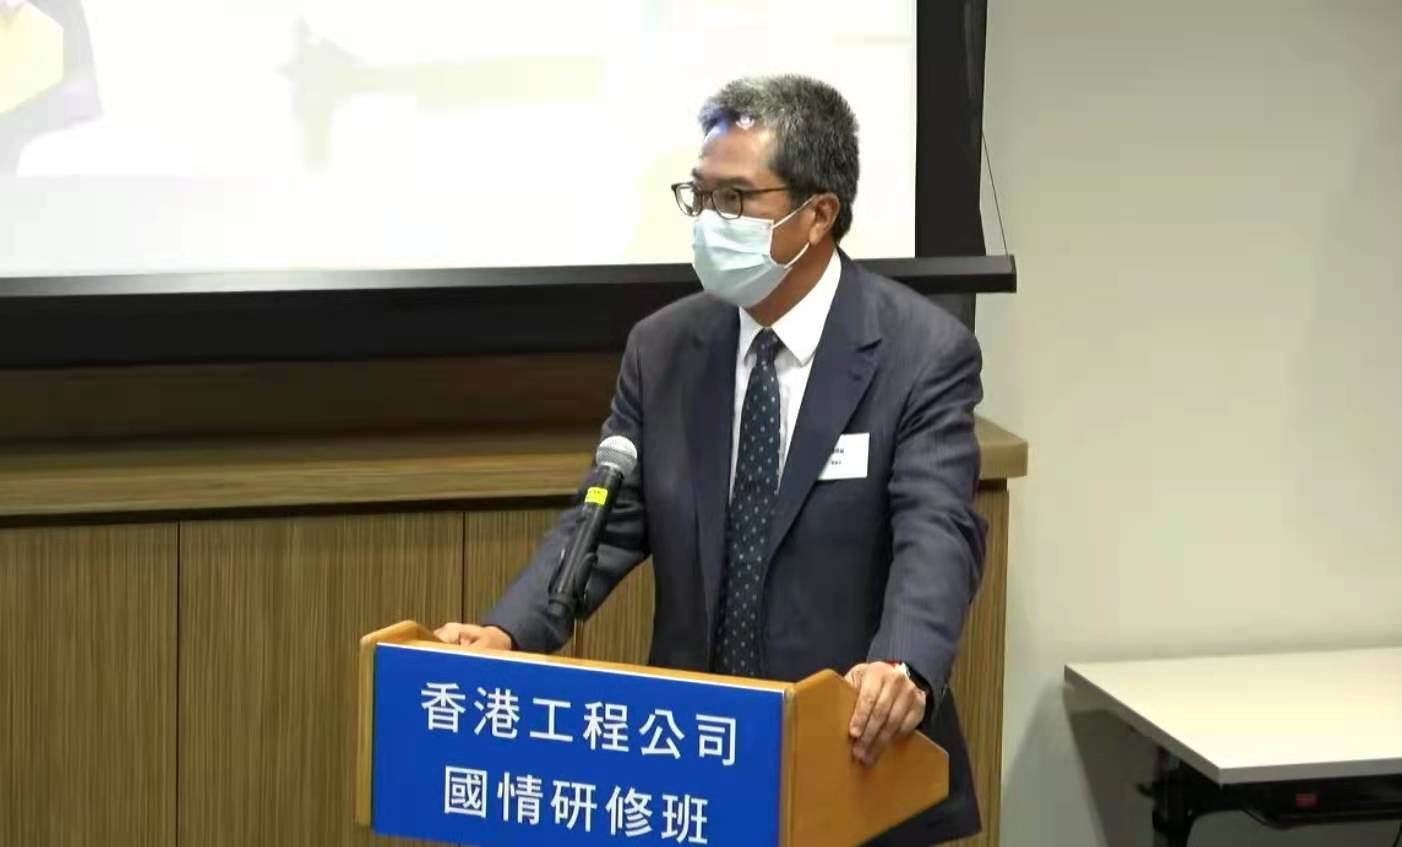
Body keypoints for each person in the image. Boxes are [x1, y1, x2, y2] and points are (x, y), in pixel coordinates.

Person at [436, 74, 987, 845]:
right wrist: (509, 633)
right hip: (695, 759)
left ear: (818, 214)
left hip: (856, 759)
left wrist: (904, 666)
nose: (708, 221)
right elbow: (605, 520)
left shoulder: (920, 352)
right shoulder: (665, 347)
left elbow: (936, 530)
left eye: (735, 199)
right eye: (699, 197)